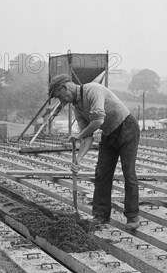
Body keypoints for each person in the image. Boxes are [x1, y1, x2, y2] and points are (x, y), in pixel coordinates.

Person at [48, 74, 140, 230]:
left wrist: (80, 134)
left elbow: (97, 121)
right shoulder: (77, 106)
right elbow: (88, 137)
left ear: (65, 88)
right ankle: (100, 215)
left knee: (128, 172)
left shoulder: (93, 90)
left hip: (127, 128)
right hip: (109, 134)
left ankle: (132, 216)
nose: (61, 101)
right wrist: (78, 160)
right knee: (102, 173)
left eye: (60, 96)